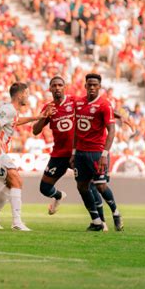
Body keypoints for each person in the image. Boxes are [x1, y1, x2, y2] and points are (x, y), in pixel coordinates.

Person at [33, 76, 131, 230]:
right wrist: (45, 116)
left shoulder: (74, 101)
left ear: (64, 87)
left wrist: (120, 116)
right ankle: (59, 196)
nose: (57, 88)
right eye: (54, 85)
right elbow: (35, 130)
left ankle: (100, 222)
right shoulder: (48, 107)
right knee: (45, 188)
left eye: (60, 85)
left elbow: (99, 107)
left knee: (90, 186)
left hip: (78, 151)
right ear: (50, 88)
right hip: (59, 154)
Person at [0, 83, 55, 231]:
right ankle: (16, 222)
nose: (28, 96)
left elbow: (15, 121)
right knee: (17, 181)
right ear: (20, 94)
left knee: (12, 183)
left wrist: (37, 117)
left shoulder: (12, 111)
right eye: (27, 93)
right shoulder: (8, 109)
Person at [70, 73, 123, 232]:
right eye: (89, 84)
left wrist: (104, 155)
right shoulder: (78, 103)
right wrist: (73, 152)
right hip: (80, 152)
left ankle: (116, 213)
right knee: (82, 186)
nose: (92, 87)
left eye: (95, 85)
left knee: (100, 186)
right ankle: (97, 221)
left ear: (99, 87)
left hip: (97, 152)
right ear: (85, 86)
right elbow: (76, 130)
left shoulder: (104, 105)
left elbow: (111, 131)